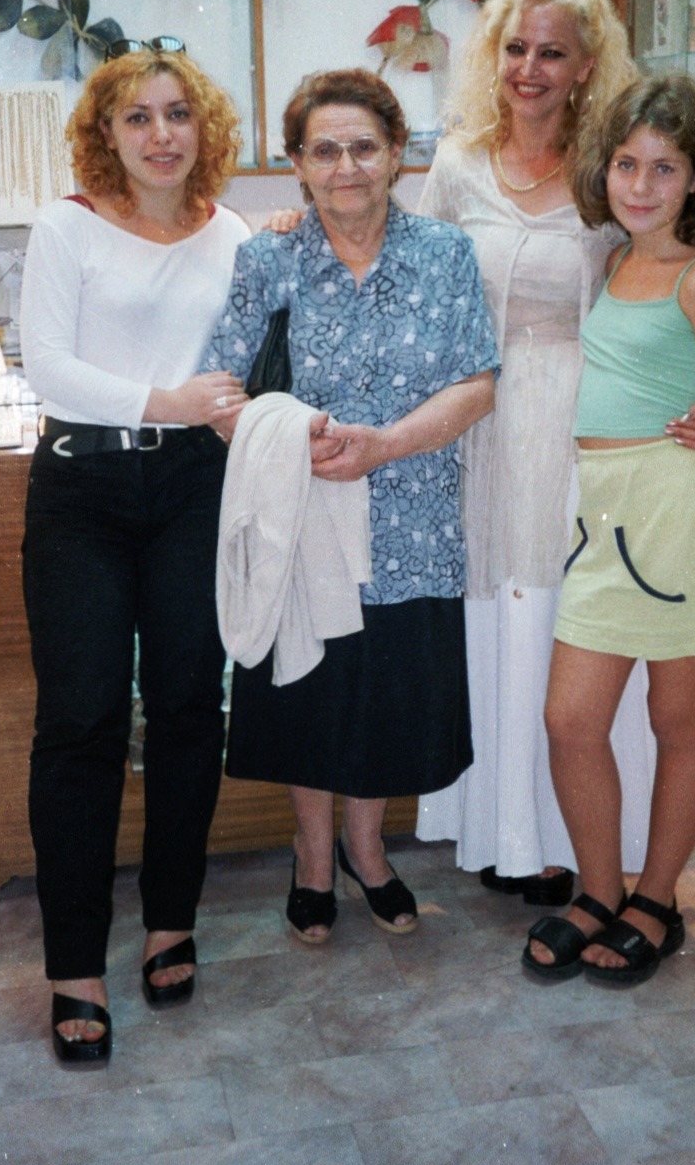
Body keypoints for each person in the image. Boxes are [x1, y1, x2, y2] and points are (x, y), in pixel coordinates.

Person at [413, 0, 695, 901]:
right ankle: (502, 829)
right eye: (515, 49)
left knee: (571, 622)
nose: (529, 68)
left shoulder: (611, 169)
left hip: (588, 424)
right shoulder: (459, 163)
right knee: (497, 614)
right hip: (476, 417)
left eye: (551, 51)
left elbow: (671, 294)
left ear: (587, 65)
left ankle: (568, 845)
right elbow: (413, 274)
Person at [203, 68, 499, 943]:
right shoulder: (267, 257)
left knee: (385, 701)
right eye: (324, 149)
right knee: (308, 691)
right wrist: (281, 443)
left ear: (396, 155)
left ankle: (368, 851)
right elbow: (223, 389)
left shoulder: (445, 255)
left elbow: (476, 383)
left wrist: (385, 443)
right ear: (296, 161)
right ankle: (309, 855)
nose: (346, 167)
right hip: (301, 520)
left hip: (411, 521)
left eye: (363, 147)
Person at [20, 45, 250, 1062]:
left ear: (202, 130)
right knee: (81, 718)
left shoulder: (234, 233)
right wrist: (164, 401)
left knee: (192, 704)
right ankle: (73, 962)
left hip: (195, 488)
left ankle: (170, 919)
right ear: (105, 134)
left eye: (176, 115)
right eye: (137, 118)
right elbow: (49, 368)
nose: (161, 134)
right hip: (82, 486)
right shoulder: (65, 225)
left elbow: (249, 361)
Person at [524, 72, 695, 985]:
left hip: (682, 512)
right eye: (626, 163)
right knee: (570, 719)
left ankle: (655, 898)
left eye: (663, 168)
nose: (638, 184)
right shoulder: (611, 261)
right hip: (606, 515)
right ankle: (597, 888)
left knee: (677, 717)